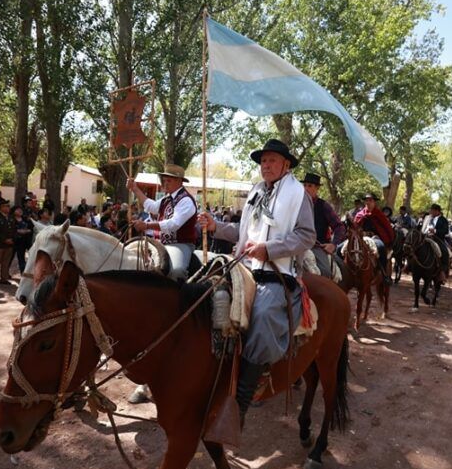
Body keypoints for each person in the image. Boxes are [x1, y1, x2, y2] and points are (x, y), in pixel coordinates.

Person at [199, 138, 314, 427]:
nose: (266, 165)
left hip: (278, 274)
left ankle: (240, 404)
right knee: (204, 293)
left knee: (262, 317)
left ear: (286, 164)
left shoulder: (298, 194)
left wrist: (269, 249)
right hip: (245, 266)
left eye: (272, 160)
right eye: (263, 161)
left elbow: (306, 236)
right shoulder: (256, 192)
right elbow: (243, 231)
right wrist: (216, 227)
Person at [127, 164, 198, 282]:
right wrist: (135, 188)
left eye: (168, 181)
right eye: (164, 181)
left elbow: (173, 224)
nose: (165, 184)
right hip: (161, 243)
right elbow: (151, 206)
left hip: (180, 244)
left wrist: (147, 225)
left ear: (179, 181)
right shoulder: (166, 199)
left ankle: (178, 297)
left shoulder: (186, 200)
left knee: (177, 270)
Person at [301, 172, 346, 279]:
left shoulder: (324, 206)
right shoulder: (296, 204)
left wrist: (333, 244)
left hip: (317, 247)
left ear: (317, 188)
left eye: (310, 186)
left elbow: (339, 227)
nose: (306, 188)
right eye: (305, 185)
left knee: (325, 273)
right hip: (297, 245)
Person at [351, 193, 395, 283]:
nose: (368, 202)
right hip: (360, 237)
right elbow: (354, 227)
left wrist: (390, 240)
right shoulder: (360, 214)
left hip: (375, 238)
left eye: (370, 200)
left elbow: (387, 228)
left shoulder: (379, 214)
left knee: (381, 247)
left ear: (374, 202)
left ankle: (384, 273)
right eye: (366, 200)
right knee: (342, 248)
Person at [420, 203, 450, 280]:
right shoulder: (427, 218)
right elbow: (422, 228)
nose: (431, 212)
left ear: (437, 211)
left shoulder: (443, 220)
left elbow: (445, 231)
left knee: (444, 252)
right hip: (425, 237)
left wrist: (435, 230)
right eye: (431, 210)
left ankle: (442, 271)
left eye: (432, 211)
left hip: (437, 239)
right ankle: (409, 266)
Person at [11, 205, 34, 274]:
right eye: (17, 209)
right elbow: (10, 229)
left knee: (23, 257)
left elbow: (31, 227)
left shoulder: (25, 219)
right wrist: (18, 231)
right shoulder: (11, 219)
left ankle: (23, 273)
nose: (20, 211)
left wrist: (27, 231)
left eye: (20, 209)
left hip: (25, 241)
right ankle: (5, 273)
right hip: (15, 241)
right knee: (10, 257)